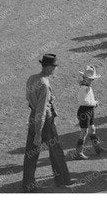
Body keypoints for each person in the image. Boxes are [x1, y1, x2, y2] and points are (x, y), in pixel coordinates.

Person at [23, 54, 74, 192]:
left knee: (31, 154)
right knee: (56, 152)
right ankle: (63, 179)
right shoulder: (44, 84)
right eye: (54, 67)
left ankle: (28, 185)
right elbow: (41, 110)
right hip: (45, 122)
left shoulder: (32, 79)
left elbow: (29, 98)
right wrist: (39, 133)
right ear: (49, 67)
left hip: (33, 117)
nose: (55, 69)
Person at [73, 64, 103, 159]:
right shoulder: (84, 88)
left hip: (89, 111)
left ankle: (97, 148)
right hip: (84, 112)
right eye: (90, 79)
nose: (92, 81)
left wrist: (93, 104)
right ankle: (78, 153)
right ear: (85, 78)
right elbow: (84, 101)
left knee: (92, 129)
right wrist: (94, 103)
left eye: (92, 79)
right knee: (84, 132)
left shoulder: (86, 87)